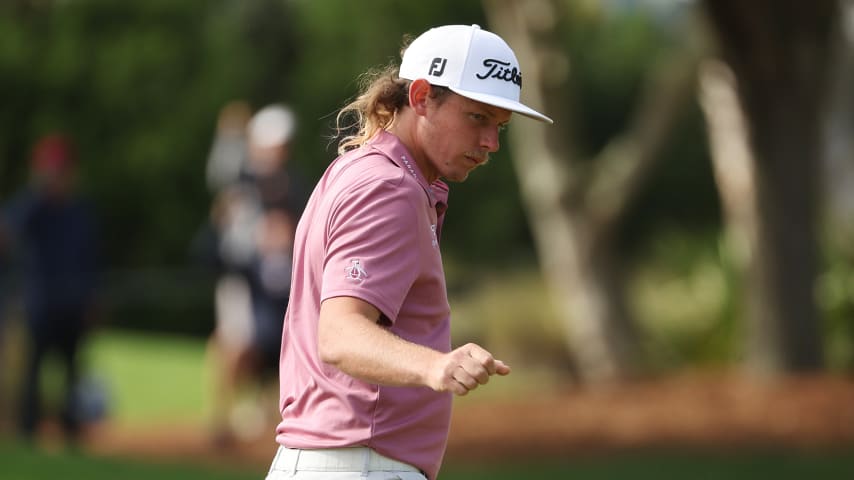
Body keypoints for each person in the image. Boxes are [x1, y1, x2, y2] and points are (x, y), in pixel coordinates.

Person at [265, 24, 552, 480]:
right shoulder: (388, 188)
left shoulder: (366, 171)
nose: (491, 144)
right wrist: (435, 365)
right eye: (477, 117)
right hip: (359, 465)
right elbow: (339, 335)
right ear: (420, 97)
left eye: (500, 126)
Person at [2, 133, 100, 444]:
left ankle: (70, 430)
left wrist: (93, 299)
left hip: (72, 303)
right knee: (34, 373)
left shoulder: (80, 212)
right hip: (40, 303)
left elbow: (92, 259)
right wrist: (37, 193)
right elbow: (7, 231)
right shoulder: (34, 208)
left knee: (71, 373)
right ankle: (28, 431)